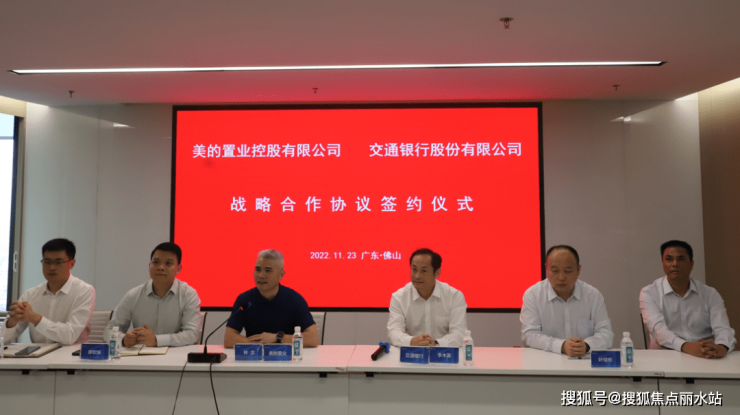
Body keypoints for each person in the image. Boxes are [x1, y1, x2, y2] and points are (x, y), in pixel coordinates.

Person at [640, 240, 736, 358]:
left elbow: (723, 329)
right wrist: (687, 347)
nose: (674, 264)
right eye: (669, 259)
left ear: (691, 264)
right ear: (663, 263)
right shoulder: (649, 293)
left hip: (705, 356)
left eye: (681, 259)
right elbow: (659, 331)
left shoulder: (710, 294)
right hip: (666, 358)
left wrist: (721, 347)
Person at [520, 245, 613, 356]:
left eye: (568, 271)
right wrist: (561, 346)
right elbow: (529, 335)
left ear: (578, 270)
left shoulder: (593, 295)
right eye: (555, 270)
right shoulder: (533, 295)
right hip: (547, 361)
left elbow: (606, 334)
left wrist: (587, 345)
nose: (561, 277)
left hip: (584, 361)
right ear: (546, 269)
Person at [104, 242, 201, 347]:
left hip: (176, 355)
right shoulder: (133, 295)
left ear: (178, 269)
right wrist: (123, 339)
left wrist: (157, 340)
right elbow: (109, 330)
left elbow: (193, 334)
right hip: (142, 355)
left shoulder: (188, 295)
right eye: (156, 262)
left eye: (168, 263)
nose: (161, 267)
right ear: (149, 266)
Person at [1, 238, 95, 345]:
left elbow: (70, 336)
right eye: (47, 262)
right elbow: (4, 340)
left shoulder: (84, 291)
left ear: (72, 263)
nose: (52, 267)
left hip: (71, 354)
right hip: (37, 354)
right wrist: (11, 323)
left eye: (58, 262)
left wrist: (35, 318)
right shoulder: (30, 294)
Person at [224, 249, 318, 348]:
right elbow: (229, 339)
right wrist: (260, 344)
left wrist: (277, 338)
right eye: (258, 269)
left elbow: (312, 339)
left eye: (268, 270)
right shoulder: (245, 300)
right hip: (255, 355)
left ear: (281, 275)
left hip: (286, 356)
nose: (261, 275)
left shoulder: (295, 300)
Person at [387, 248, 467, 347]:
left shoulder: (454, 297)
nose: (417, 276)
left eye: (423, 271)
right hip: (411, 353)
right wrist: (412, 341)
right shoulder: (399, 297)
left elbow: (459, 333)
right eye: (414, 269)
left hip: (443, 353)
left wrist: (436, 343)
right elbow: (394, 332)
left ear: (437, 273)